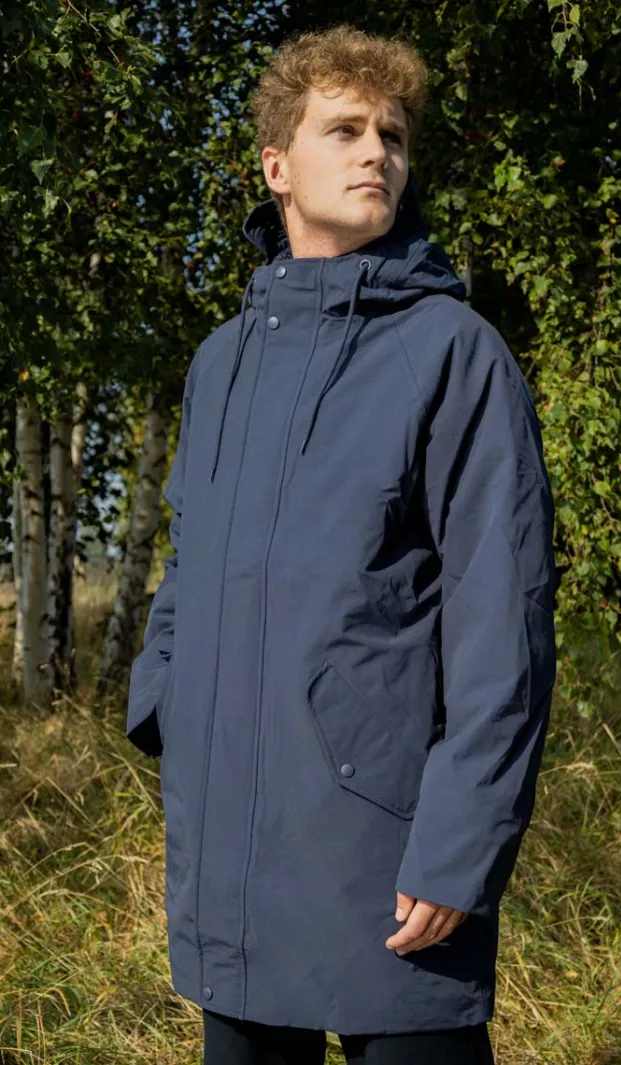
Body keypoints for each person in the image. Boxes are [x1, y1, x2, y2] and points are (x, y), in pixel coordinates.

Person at [126, 23, 558, 1065]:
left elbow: (502, 623)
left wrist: (459, 848)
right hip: (233, 844)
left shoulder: (454, 354)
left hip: (392, 855)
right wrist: (167, 699)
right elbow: (190, 563)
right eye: (346, 130)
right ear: (277, 167)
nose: (377, 154)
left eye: (394, 136)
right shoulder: (221, 362)